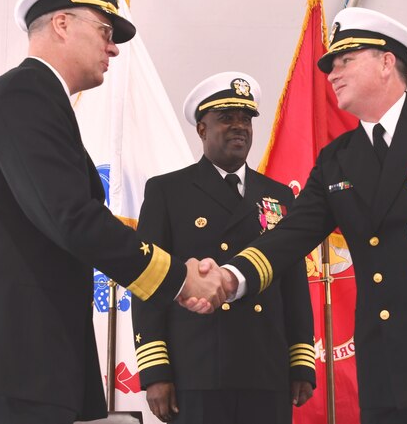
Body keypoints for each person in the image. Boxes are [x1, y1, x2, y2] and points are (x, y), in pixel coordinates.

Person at [0, 0, 232, 424]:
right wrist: (178, 278)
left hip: (25, 366)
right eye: (106, 31)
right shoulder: (26, 95)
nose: (113, 47)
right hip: (11, 367)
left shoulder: (38, 102)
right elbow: (71, 217)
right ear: (62, 24)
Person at [201, 8, 407, 424]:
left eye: (345, 60)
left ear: (387, 62)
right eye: (331, 64)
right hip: (386, 369)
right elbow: (290, 235)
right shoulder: (337, 158)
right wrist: (230, 276)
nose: (332, 73)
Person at [131, 72, 316, 424]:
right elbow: (148, 282)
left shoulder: (278, 195)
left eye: (246, 119)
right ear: (202, 129)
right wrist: (156, 370)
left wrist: (300, 360)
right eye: (226, 118)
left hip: (266, 367)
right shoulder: (167, 192)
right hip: (197, 369)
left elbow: (293, 282)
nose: (239, 127)